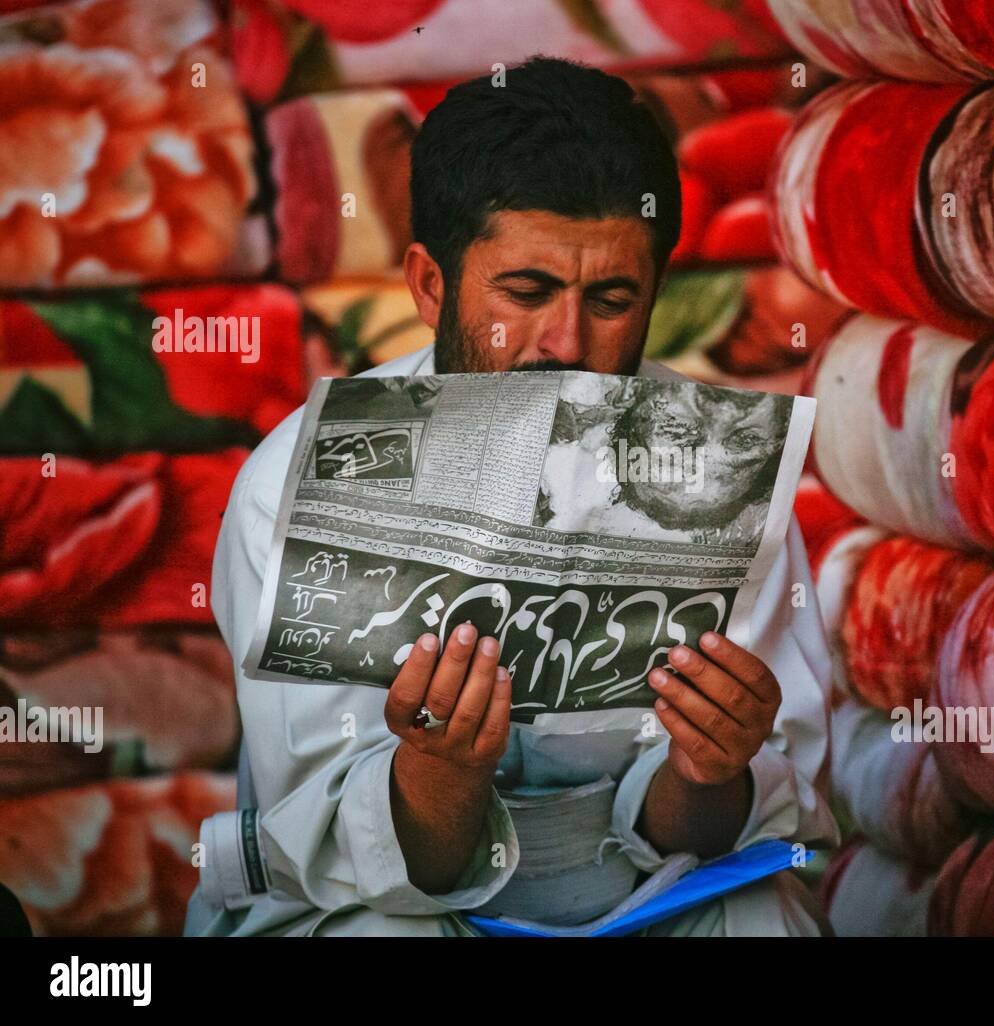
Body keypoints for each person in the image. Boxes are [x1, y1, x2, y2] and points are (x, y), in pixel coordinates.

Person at [186, 56, 837, 937]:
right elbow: (355, 849)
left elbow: (712, 834)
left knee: (766, 917)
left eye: (611, 298)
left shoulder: (718, 477)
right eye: (525, 293)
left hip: (636, 898)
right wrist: (440, 767)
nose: (564, 343)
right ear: (428, 284)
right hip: (397, 901)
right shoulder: (300, 482)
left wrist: (707, 769)